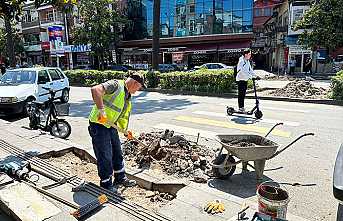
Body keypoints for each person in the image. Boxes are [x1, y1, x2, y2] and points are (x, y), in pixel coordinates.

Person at [88, 74, 146, 190]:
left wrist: (125, 131)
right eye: (138, 88)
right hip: (99, 125)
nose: (137, 91)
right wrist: (101, 111)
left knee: (117, 152)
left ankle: (120, 177)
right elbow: (95, 90)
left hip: (111, 126)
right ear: (134, 83)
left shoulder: (127, 96)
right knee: (105, 155)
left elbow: (121, 116)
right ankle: (106, 183)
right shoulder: (116, 85)